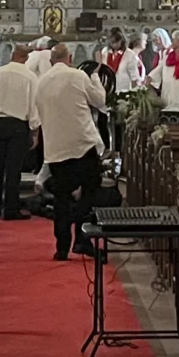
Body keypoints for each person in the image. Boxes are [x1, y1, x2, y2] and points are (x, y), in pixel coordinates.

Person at [34, 45, 109, 261]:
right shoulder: (78, 76)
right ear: (70, 58)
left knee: (61, 198)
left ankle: (62, 247)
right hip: (82, 145)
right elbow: (100, 101)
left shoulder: (42, 83)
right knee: (91, 190)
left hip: (56, 149)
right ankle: (83, 238)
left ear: (50, 61)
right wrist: (95, 78)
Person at [0, 44, 39, 220]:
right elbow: (33, 105)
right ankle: (11, 209)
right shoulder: (30, 76)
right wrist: (35, 131)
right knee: (13, 169)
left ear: (13, 55)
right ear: (26, 58)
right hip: (18, 126)